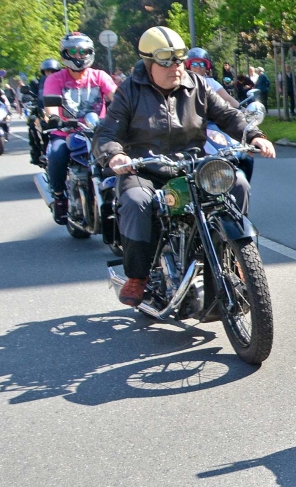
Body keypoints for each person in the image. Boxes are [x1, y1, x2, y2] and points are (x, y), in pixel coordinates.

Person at [94, 26, 276, 306]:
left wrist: (254, 135)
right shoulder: (129, 92)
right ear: (149, 63)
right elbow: (107, 133)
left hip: (192, 167)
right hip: (145, 169)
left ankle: (236, 254)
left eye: (179, 60)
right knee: (135, 201)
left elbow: (228, 115)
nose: (175, 68)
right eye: (166, 62)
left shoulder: (198, 85)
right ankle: (138, 276)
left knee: (236, 180)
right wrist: (116, 156)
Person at [43, 33, 117, 225]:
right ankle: (59, 197)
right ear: (65, 53)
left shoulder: (99, 76)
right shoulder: (56, 79)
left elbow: (117, 98)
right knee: (58, 154)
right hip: (66, 131)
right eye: (73, 51)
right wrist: (53, 117)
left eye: (83, 51)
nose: (78, 56)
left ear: (90, 53)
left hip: (97, 131)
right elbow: (50, 105)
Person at [27, 59, 60, 166]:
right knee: (32, 122)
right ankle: (36, 152)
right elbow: (30, 95)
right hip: (41, 110)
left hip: (60, 110)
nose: (50, 73)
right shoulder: (36, 83)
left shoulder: (62, 81)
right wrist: (30, 99)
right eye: (47, 71)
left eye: (53, 71)